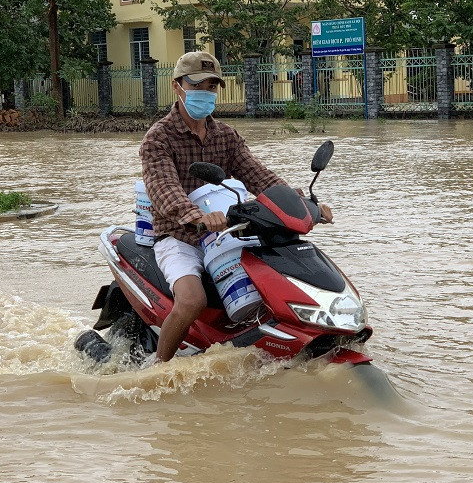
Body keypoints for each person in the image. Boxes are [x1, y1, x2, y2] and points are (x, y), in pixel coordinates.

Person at [140, 50, 333, 362]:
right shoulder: (158, 138)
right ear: (177, 86)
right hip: (178, 236)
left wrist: (300, 204)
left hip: (227, 232)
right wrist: (196, 216)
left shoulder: (225, 135)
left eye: (212, 87)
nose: (206, 93)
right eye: (198, 85)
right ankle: (157, 369)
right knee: (191, 300)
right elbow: (163, 189)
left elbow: (257, 175)